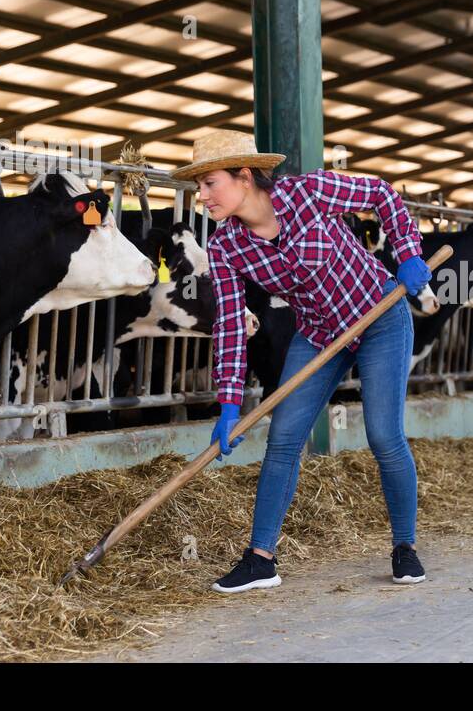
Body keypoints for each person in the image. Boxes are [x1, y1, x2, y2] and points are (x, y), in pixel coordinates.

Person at [168, 130, 432, 593]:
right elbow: (230, 324)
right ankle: (260, 560)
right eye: (198, 189)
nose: (202, 197)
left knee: (383, 434)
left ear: (244, 177)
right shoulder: (226, 247)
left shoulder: (308, 192)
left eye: (209, 184)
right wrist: (229, 402)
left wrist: (407, 253)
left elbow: (381, 195)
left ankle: (404, 547)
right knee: (285, 438)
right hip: (319, 336)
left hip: (380, 319)